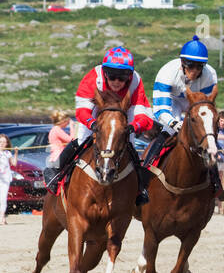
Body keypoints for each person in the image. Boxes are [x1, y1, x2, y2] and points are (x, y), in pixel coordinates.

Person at [45, 46, 155, 205]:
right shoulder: (94, 78)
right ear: (104, 73)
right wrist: (93, 123)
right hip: (96, 110)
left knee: (129, 143)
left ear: (129, 76)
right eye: (112, 76)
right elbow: (82, 111)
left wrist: (133, 127)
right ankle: (56, 172)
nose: (117, 81)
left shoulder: (135, 81)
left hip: (124, 110)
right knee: (82, 140)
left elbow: (144, 115)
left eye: (122, 77)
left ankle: (140, 188)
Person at [145, 35, 222, 199]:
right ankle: (144, 176)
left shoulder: (210, 75)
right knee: (167, 132)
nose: (194, 70)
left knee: (207, 139)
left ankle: (216, 182)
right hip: (172, 103)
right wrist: (175, 124)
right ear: (182, 63)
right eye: (190, 65)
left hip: (196, 105)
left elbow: (207, 107)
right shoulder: (167, 72)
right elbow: (160, 109)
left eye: (199, 66)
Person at [0, 134, 17, 224]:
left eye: (4, 142)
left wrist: (16, 153)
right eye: (0, 142)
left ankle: (1, 216)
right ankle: (2, 215)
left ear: (7, 144)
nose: (2, 144)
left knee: (3, 197)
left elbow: (14, 163)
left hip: (6, 177)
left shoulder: (8, 153)